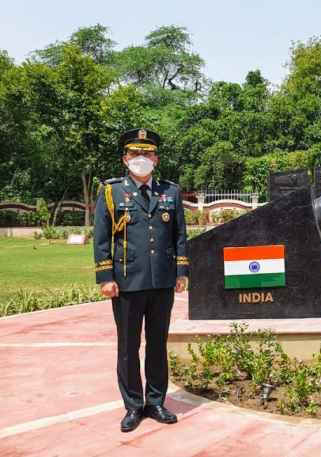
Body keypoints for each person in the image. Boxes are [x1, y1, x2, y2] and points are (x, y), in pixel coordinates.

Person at [93, 128, 189, 432]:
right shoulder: (111, 192)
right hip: (127, 283)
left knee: (158, 344)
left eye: (147, 153)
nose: (141, 158)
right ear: (125, 158)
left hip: (162, 281)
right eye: (135, 153)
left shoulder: (170, 192)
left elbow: (180, 235)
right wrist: (105, 277)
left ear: (156, 159)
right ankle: (133, 406)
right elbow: (101, 239)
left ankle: (156, 402)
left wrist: (181, 272)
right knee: (128, 346)